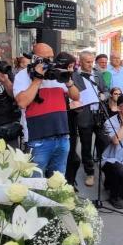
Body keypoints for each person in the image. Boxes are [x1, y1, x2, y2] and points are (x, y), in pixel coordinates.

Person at [14, 43, 80, 176]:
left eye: (51, 57)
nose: (50, 61)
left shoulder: (57, 72)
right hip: (37, 139)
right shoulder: (23, 75)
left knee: (57, 181)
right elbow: (22, 102)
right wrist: (37, 79)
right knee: (35, 181)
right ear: (35, 58)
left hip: (62, 135)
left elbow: (76, 96)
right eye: (46, 58)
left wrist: (68, 80)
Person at [69, 51, 108, 187]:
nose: (91, 64)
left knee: (104, 142)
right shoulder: (74, 76)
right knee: (86, 146)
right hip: (84, 115)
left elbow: (106, 90)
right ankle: (90, 172)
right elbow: (70, 95)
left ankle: (105, 169)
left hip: (99, 114)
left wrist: (104, 95)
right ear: (80, 62)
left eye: (92, 61)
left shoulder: (97, 74)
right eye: (88, 62)